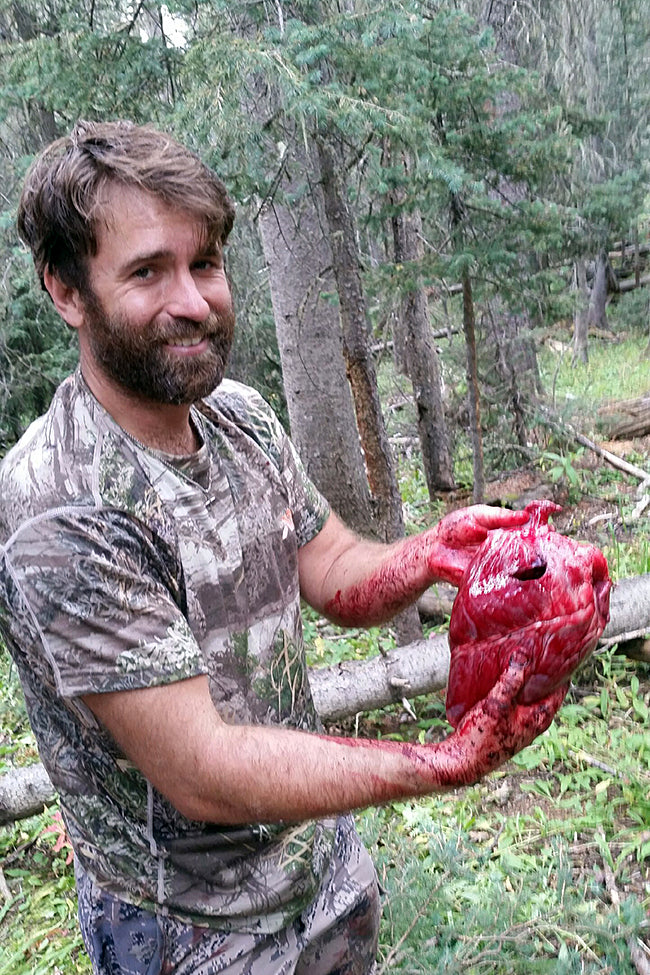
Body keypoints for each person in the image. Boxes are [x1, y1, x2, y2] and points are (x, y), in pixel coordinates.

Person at [0, 120, 566, 975]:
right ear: (67, 291)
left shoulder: (239, 418)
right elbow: (204, 769)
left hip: (319, 865)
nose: (192, 300)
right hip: (191, 931)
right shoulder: (60, 508)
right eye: (148, 270)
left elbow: (334, 569)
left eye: (205, 263)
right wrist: (438, 761)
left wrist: (437, 551)